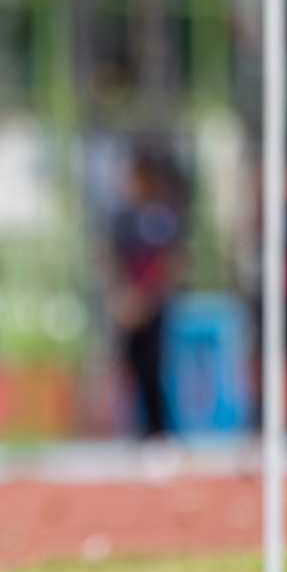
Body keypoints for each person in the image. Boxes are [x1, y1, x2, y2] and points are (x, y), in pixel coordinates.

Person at [108, 153, 182, 440]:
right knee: (132, 366)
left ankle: (160, 429)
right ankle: (140, 429)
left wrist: (145, 300)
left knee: (154, 366)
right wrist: (122, 299)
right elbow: (115, 262)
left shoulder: (162, 216)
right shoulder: (123, 218)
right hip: (128, 305)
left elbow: (166, 263)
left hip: (152, 305)